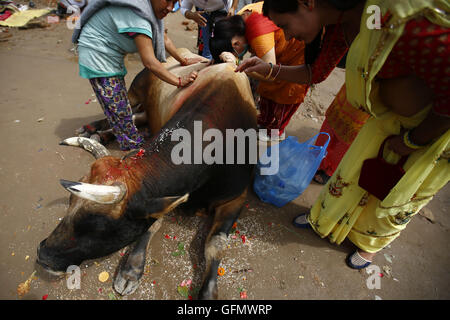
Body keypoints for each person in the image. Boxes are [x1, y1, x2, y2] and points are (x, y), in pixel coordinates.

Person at [236, 0, 449, 269]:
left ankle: (369, 246)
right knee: (349, 176)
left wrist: (413, 140)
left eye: (286, 26)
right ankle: (323, 222)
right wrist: (269, 69)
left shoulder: (400, 17)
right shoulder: (340, 25)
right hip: (382, 119)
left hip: (431, 131)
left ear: (307, 3)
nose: (287, 37)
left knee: (396, 194)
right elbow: (316, 73)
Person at [72, 0, 201, 151]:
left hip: (109, 51)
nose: (170, 8)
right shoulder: (139, 17)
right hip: (98, 53)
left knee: (117, 103)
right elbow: (150, 62)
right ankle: (132, 145)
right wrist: (179, 81)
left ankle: (108, 128)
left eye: (175, 2)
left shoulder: (147, 10)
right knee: (119, 107)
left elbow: (163, 38)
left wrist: (183, 60)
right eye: (167, 0)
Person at [210, 1, 308, 141]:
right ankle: (266, 125)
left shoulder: (258, 32)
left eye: (234, 52)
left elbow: (271, 74)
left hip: (296, 53)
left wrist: (238, 64)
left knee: (283, 94)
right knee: (267, 95)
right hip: (278, 51)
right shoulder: (238, 21)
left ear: (235, 44)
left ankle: (275, 135)